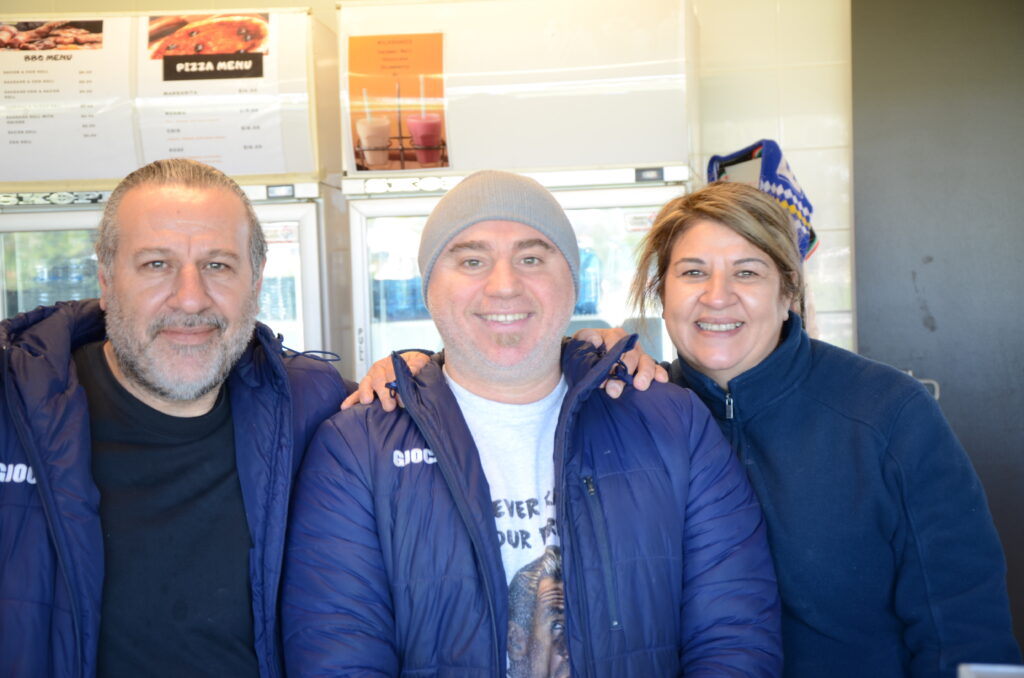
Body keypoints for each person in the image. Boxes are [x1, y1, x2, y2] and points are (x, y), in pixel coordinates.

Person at [282, 170, 783, 677]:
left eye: (532, 258)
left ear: (572, 281)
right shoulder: (355, 448)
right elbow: (339, 653)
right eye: (472, 260)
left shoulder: (674, 422)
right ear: (429, 286)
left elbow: (734, 636)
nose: (504, 286)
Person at [576, 181, 1021, 677]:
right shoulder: (638, 417)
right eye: (693, 272)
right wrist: (581, 366)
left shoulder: (888, 413)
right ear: (662, 292)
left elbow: (967, 625)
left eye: (747, 272)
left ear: (788, 291)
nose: (717, 297)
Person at [0, 158, 355, 678]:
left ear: (255, 284)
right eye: (156, 265)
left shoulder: (315, 408)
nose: (190, 298)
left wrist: (419, 373)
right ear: (105, 281)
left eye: (217, 265)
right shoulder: (14, 410)